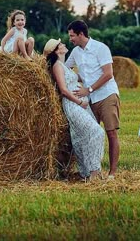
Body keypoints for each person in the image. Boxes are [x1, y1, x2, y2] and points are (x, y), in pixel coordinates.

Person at [65, 20, 120, 179]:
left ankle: (112, 174)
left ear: (81, 34)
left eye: (72, 36)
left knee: (111, 133)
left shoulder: (100, 48)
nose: (71, 39)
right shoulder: (75, 52)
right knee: (90, 135)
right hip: (89, 99)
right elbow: (64, 68)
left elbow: (108, 74)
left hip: (106, 95)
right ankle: (93, 172)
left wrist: (88, 89)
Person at [44, 38, 104, 181]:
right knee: (96, 132)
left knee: (82, 137)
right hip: (73, 105)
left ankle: (86, 173)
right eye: (61, 44)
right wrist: (79, 101)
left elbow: (82, 78)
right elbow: (64, 90)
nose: (64, 44)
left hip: (82, 104)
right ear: (56, 50)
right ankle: (94, 170)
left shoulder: (64, 66)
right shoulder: (57, 66)